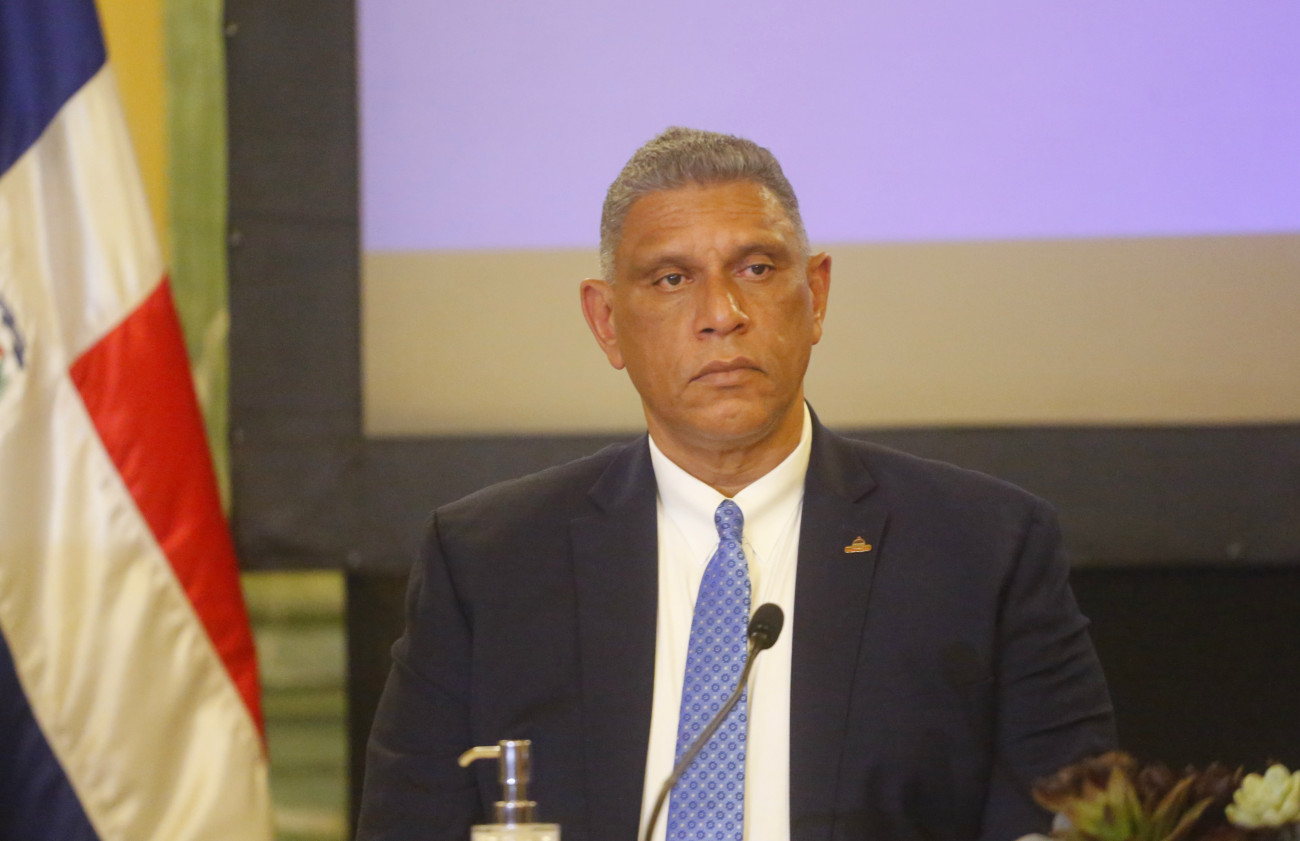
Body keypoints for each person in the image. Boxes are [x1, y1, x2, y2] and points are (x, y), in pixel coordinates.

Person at [356, 127, 1116, 841]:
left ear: (816, 295)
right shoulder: (489, 563)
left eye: (756, 269)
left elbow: (1074, 824)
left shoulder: (981, 551)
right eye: (672, 278)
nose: (721, 314)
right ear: (607, 321)